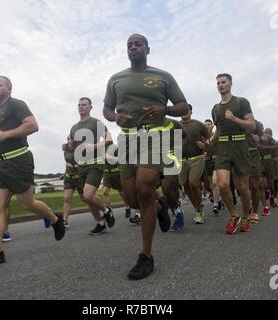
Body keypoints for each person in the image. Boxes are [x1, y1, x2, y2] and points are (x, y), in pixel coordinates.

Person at [103, 34, 189, 279]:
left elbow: (183, 105)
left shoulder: (163, 76)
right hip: (128, 140)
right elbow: (107, 109)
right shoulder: (116, 79)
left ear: (147, 49)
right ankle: (160, 204)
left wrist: (167, 109)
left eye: (138, 43)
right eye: (129, 44)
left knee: (143, 188)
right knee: (132, 200)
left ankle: (146, 256)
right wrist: (113, 117)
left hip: (155, 137)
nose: (133, 47)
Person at [0, 76, 65, 265]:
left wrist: (5, 135)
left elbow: (33, 125)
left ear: (9, 88)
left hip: (19, 160)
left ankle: (55, 220)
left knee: (27, 203)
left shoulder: (16, 104)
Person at [211, 73, 256, 234]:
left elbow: (251, 125)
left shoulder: (241, 102)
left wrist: (235, 119)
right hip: (223, 147)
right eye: (218, 83)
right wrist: (211, 140)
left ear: (230, 84)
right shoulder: (215, 109)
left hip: (239, 145)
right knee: (222, 184)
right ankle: (233, 214)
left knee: (242, 186)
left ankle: (245, 216)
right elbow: (218, 131)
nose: (220, 85)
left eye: (223, 82)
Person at [69, 97, 115, 235]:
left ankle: (107, 211)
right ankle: (100, 224)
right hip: (81, 165)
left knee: (88, 196)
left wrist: (94, 146)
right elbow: (73, 147)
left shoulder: (96, 122)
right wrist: (69, 146)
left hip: (95, 163)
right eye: (79, 105)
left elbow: (109, 139)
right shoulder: (74, 127)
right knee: (87, 199)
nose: (81, 107)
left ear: (90, 107)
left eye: (84, 105)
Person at [179, 105, 210, 224]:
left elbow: (208, 139)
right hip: (182, 160)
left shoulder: (198, 124)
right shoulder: (176, 126)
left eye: (186, 110)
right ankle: (198, 207)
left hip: (197, 158)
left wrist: (204, 145)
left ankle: (198, 211)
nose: (184, 112)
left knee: (193, 183)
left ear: (191, 111)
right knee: (186, 187)